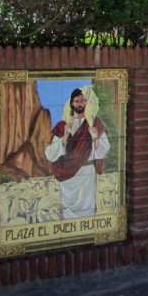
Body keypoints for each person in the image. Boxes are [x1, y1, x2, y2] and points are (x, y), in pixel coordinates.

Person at [45, 86, 110, 219]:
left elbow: (104, 150)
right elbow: (50, 155)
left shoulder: (94, 123)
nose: (80, 104)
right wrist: (64, 137)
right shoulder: (62, 126)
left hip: (86, 174)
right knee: (68, 213)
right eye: (77, 101)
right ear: (71, 103)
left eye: (83, 101)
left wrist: (95, 137)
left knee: (87, 211)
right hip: (67, 178)